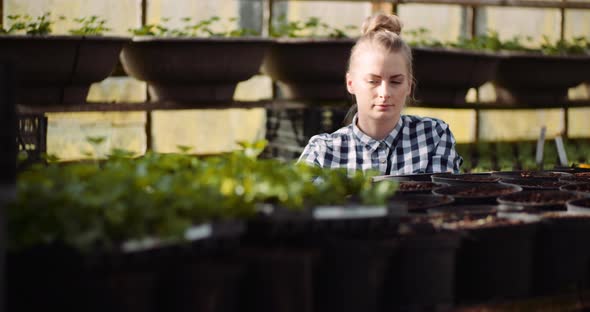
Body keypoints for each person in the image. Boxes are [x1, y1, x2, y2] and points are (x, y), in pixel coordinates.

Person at [298, 13, 463, 176]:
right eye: (373, 81)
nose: (384, 93)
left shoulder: (433, 135)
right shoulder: (322, 151)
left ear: (409, 86)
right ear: (351, 83)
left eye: (396, 82)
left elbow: (443, 198)